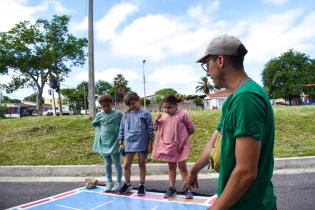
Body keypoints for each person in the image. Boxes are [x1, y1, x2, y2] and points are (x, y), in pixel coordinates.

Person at [184, 34, 277, 210]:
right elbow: (214, 141)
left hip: (250, 205)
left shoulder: (246, 98)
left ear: (220, 60)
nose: (208, 72)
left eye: (207, 64)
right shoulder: (234, 99)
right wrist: (194, 169)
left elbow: (245, 172)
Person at [152, 95, 195, 199]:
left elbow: (191, 128)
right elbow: (157, 130)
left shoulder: (183, 115)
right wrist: (156, 122)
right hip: (168, 146)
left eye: (169, 107)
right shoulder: (163, 116)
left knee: (182, 167)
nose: (167, 110)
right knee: (171, 167)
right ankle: (172, 188)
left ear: (176, 105)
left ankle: (187, 188)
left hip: (180, 146)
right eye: (165, 107)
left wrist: (183, 139)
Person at [118, 91, 154, 196]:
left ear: (138, 100)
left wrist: (150, 143)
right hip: (128, 143)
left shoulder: (146, 114)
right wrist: (121, 142)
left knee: (142, 163)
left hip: (142, 141)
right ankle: (127, 184)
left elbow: (150, 129)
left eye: (133, 103)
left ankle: (142, 184)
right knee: (126, 165)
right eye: (129, 105)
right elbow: (122, 129)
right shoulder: (126, 115)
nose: (132, 106)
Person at [91, 94, 123, 192]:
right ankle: (109, 182)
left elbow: (123, 126)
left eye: (107, 106)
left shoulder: (118, 114)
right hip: (104, 142)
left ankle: (119, 182)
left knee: (117, 162)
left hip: (115, 142)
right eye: (103, 106)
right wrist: (100, 132)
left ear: (112, 104)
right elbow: (94, 123)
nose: (105, 108)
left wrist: (121, 138)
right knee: (107, 163)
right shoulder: (99, 115)